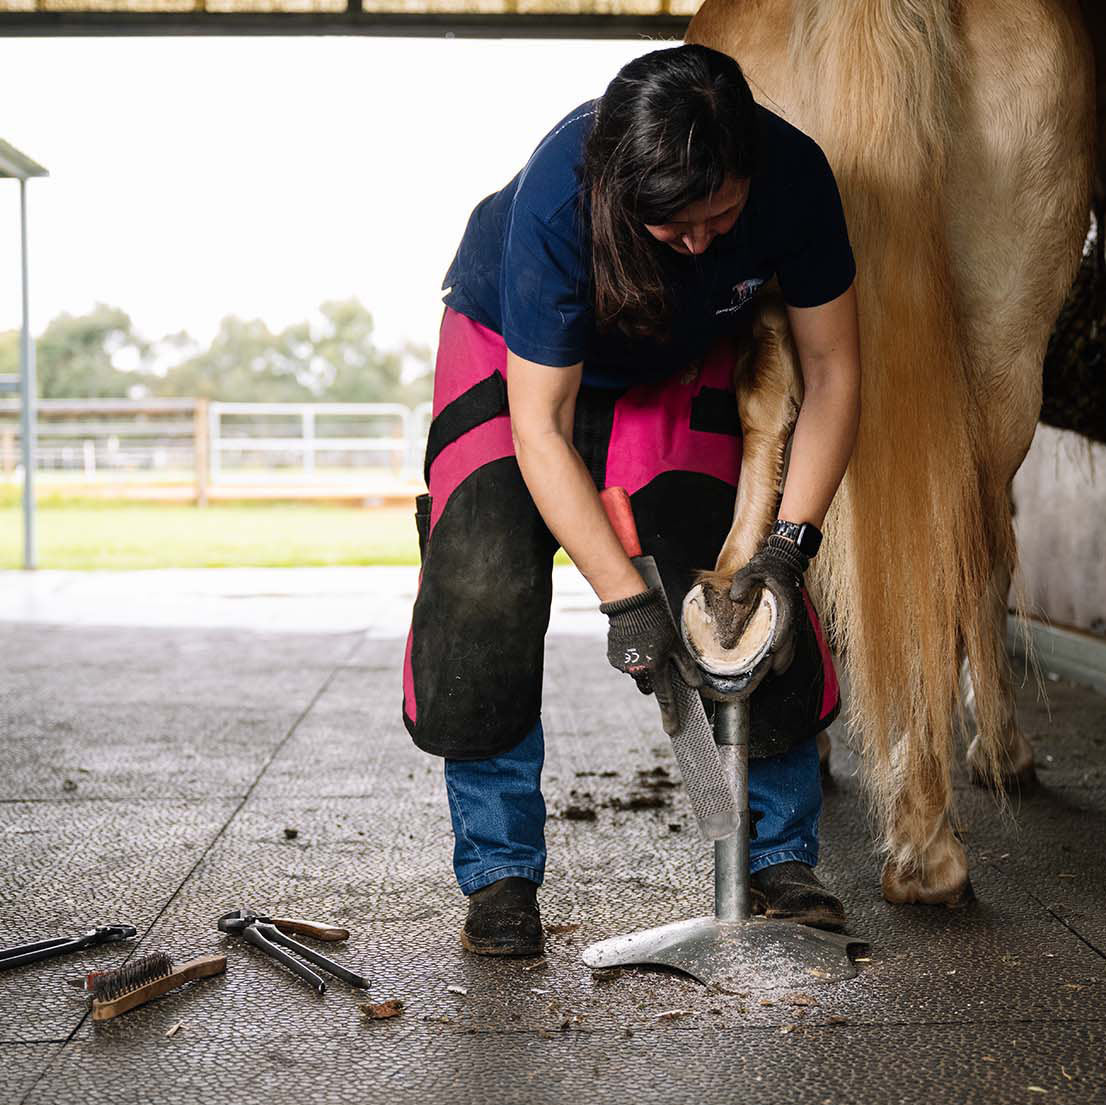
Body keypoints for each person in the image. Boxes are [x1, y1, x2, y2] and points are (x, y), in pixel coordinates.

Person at [402, 44, 861, 956]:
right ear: (620, 185)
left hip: (675, 353)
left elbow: (835, 373)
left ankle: (774, 855)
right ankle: (499, 873)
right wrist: (623, 599)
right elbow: (543, 425)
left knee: (727, 584)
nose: (697, 240)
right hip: (515, 358)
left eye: (718, 217)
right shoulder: (560, 200)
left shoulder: (797, 176)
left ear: (748, 173)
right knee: (483, 575)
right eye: (671, 225)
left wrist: (787, 546)